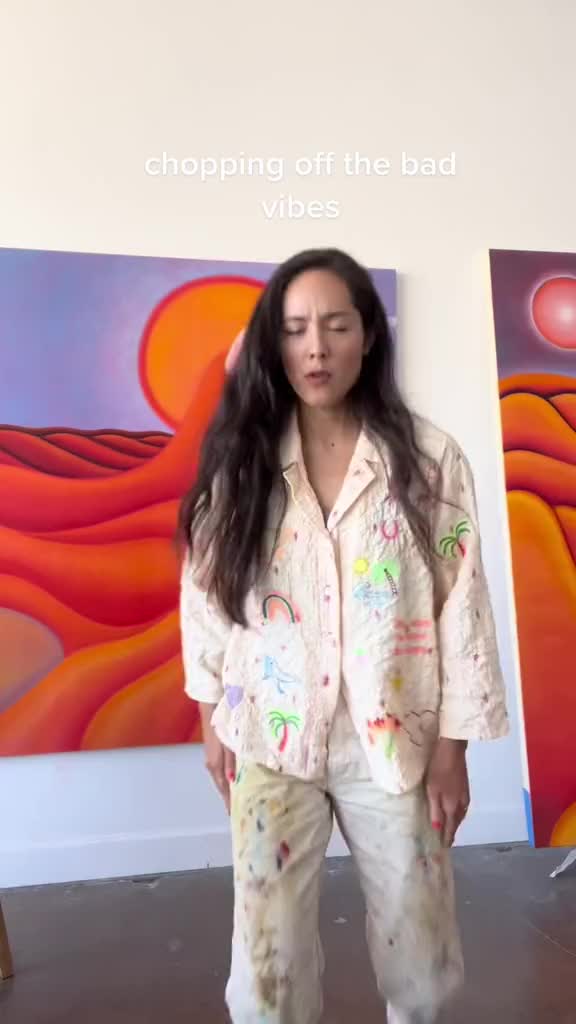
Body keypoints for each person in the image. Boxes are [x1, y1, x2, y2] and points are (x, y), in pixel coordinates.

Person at [178, 248, 508, 1024]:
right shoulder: (243, 460)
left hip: (394, 743)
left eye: (336, 325)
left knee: (421, 960)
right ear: (274, 342)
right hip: (270, 734)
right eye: (295, 329)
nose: (316, 348)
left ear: (368, 336)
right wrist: (210, 715)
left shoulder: (428, 461)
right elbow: (206, 594)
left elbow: (461, 604)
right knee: (268, 975)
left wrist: (453, 750)